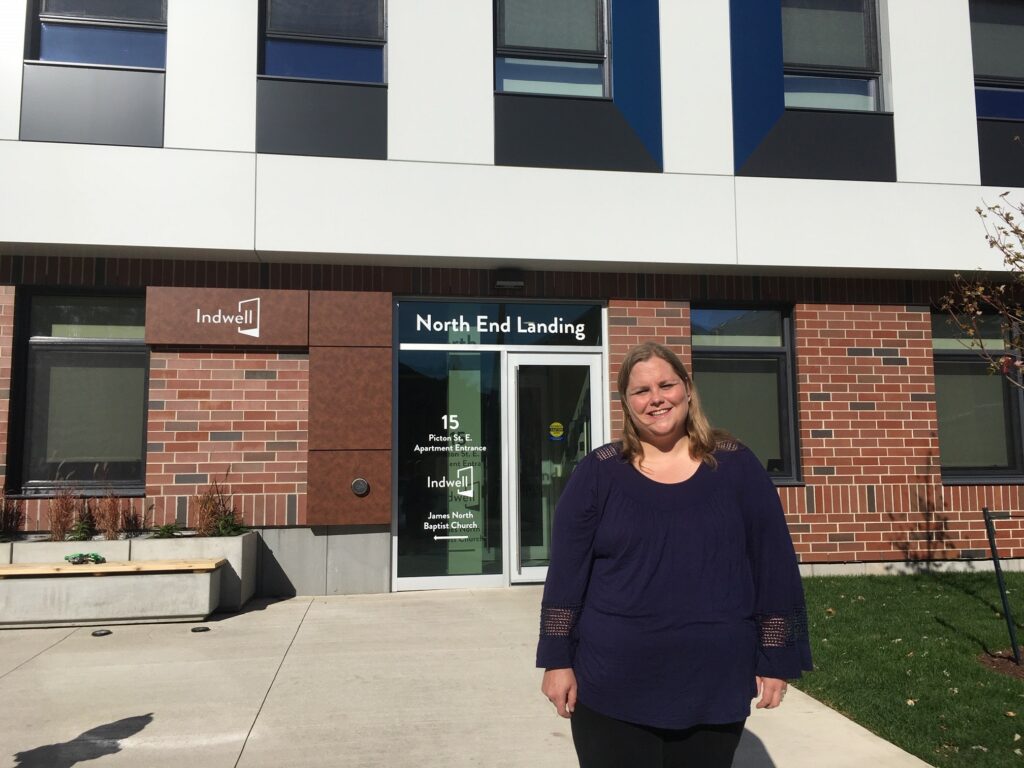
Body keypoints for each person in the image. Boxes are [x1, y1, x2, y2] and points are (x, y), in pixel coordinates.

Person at [537, 341, 812, 768]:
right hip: (611, 684)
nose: (656, 399)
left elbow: (773, 566)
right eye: (641, 391)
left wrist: (775, 658)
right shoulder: (599, 471)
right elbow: (566, 577)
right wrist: (557, 660)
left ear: (687, 388)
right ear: (626, 403)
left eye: (666, 385)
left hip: (714, 683)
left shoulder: (737, 467)